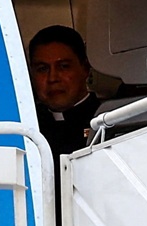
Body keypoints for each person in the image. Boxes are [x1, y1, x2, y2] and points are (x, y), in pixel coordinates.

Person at [29, 25, 105, 157]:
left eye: (63, 67)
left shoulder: (108, 120)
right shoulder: (27, 125)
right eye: (42, 69)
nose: (53, 78)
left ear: (85, 69)